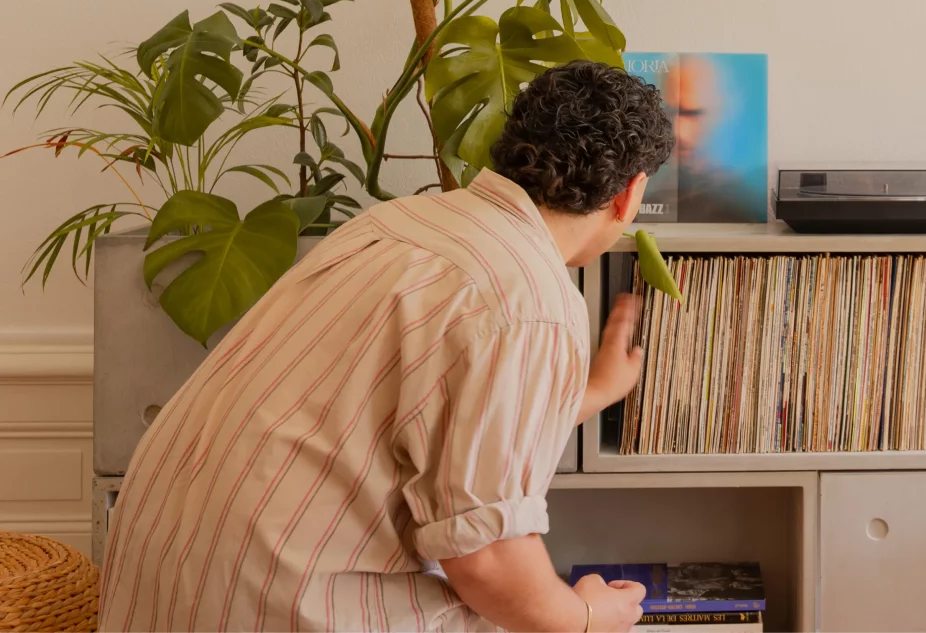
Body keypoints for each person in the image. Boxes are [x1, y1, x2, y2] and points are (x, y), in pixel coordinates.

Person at [98, 60, 674, 632]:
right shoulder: (529, 298)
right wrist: (589, 615)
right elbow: (486, 559)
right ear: (629, 196)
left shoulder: (403, 221)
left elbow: (434, 413)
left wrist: (593, 392)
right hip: (281, 605)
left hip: (164, 582)